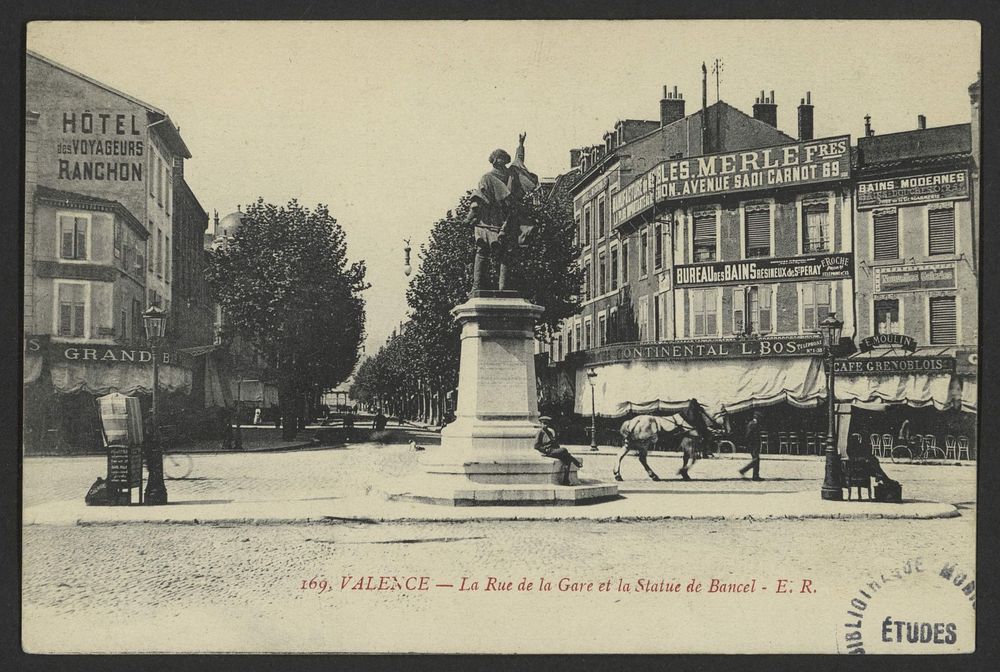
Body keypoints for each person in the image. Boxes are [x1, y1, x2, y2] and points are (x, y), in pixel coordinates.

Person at [466, 132, 539, 292]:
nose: (500, 162)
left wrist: (467, 220)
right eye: (500, 158)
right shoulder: (505, 174)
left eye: (501, 158)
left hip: (493, 220)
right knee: (500, 253)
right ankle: (492, 287)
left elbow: (477, 202)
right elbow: (519, 161)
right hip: (504, 219)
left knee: (486, 252)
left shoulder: (490, 177)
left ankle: (486, 287)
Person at [534, 416, 582, 486]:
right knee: (564, 450)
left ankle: (566, 480)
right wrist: (545, 450)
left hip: (554, 450)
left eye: (546, 423)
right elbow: (536, 446)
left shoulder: (550, 432)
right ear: (540, 424)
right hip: (548, 451)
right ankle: (575, 461)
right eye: (543, 423)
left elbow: (555, 443)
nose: (545, 425)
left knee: (567, 460)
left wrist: (557, 448)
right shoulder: (540, 432)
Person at [738, 411, 764, 481]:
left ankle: (755, 476)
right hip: (753, 444)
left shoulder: (753, 424)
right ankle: (744, 470)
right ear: (757, 417)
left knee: (756, 459)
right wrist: (750, 443)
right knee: (756, 459)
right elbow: (749, 435)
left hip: (754, 443)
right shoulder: (753, 424)